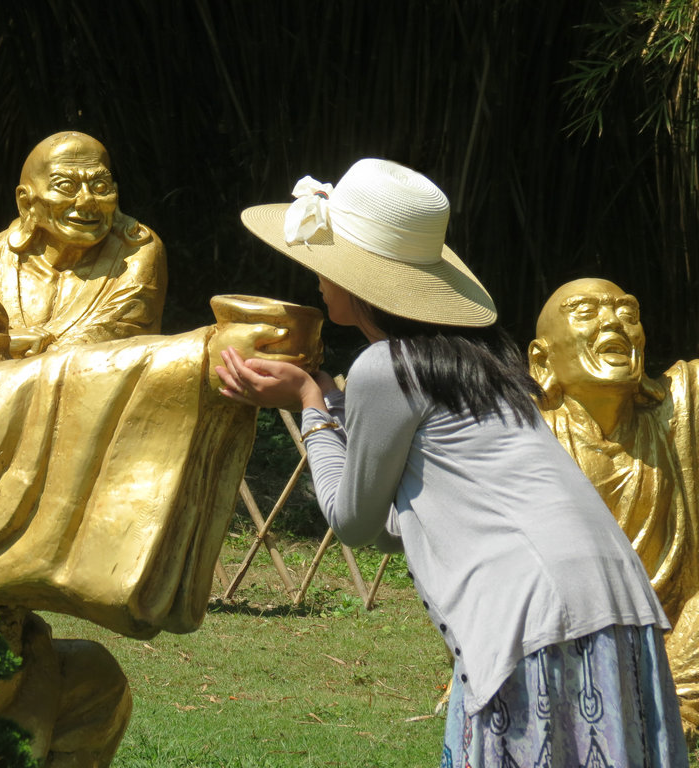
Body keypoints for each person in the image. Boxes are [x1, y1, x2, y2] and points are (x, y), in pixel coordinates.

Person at [216, 160, 687, 766]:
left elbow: (354, 521)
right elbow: (414, 519)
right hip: (617, 608)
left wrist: (310, 402)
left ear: (359, 283)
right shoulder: (486, 366)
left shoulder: (386, 368)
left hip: (532, 617)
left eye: (325, 262)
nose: (315, 276)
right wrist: (331, 396)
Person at [0, 230, 314, 766]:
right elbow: (52, 385)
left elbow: (40, 385)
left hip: (11, 669)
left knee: (93, 683)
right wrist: (202, 357)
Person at [530, 278, 699, 736]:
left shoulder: (680, 411)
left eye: (628, 312)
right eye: (586, 312)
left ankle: (669, 696)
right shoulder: (525, 438)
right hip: (561, 632)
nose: (614, 324)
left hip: (669, 634)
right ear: (541, 360)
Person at [0, 131, 167, 358]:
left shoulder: (136, 251)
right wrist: (3, 342)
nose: (87, 202)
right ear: (26, 202)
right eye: (66, 186)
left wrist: (4, 344)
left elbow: (111, 343)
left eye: (100, 187)